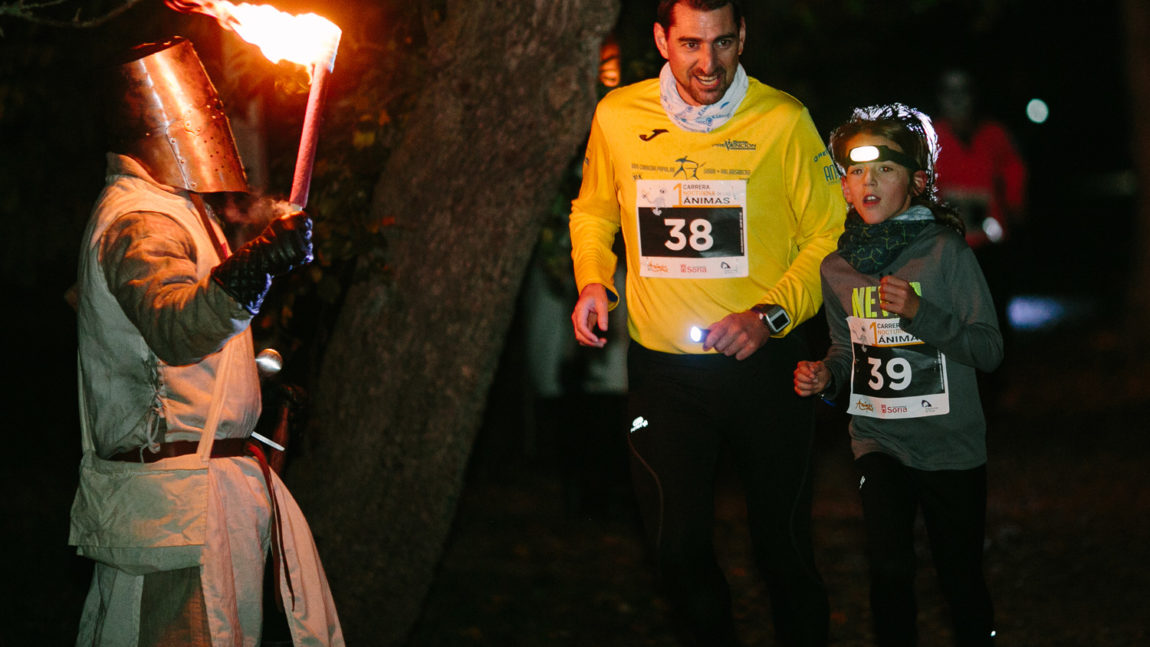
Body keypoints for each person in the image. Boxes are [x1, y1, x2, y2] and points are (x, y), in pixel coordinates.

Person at [568, 1, 845, 644]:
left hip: (765, 369)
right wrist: (591, 279)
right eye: (691, 43)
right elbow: (593, 213)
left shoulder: (782, 119)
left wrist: (769, 317)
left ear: (742, 35)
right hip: (666, 377)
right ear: (662, 39)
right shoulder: (618, 115)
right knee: (677, 551)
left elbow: (831, 236)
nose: (708, 63)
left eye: (723, 43)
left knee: (783, 555)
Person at [68, 38, 344, 646]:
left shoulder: (175, 209)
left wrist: (254, 403)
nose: (211, 111)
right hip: (175, 513)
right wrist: (260, 264)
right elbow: (175, 326)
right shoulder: (141, 218)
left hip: (199, 502)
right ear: (148, 114)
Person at [793, 103, 1002, 646]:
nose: (868, 181)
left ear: (918, 181)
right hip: (878, 441)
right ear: (843, 187)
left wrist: (920, 313)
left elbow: (988, 349)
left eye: (885, 169)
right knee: (888, 571)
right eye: (856, 171)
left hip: (950, 447)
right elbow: (847, 350)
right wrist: (827, 376)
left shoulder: (945, 254)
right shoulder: (836, 268)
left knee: (959, 581)